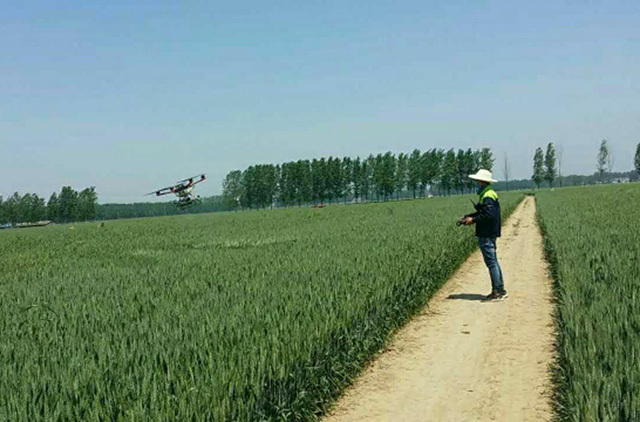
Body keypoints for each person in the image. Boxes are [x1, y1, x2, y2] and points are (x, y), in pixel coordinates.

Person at [460, 169, 507, 301]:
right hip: (490, 231)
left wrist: (473, 220)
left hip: (486, 233)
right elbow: (484, 212)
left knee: (491, 262)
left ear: (482, 181)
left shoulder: (487, 195)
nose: (476, 182)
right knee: (494, 261)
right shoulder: (488, 193)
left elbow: (488, 215)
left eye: (477, 180)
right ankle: (500, 289)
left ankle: (497, 291)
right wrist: (470, 216)